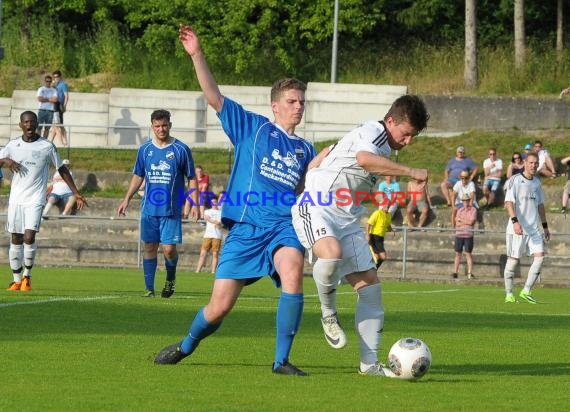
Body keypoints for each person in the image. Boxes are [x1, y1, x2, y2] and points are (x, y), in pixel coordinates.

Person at [154, 25, 316, 377]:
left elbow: (304, 190)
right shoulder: (252, 127)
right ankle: (186, 345)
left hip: (283, 226)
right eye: (292, 101)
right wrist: (197, 54)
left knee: (293, 273)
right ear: (275, 105)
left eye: (302, 101)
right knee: (219, 308)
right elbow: (214, 96)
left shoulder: (306, 149)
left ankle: (281, 361)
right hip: (245, 229)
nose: (298, 106)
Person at [292, 94, 429, 376]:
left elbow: (349, 166)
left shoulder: (383, 147)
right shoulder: (373, 132)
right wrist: (411, 172)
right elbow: (364, 160)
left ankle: (369, 364)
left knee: (371, 289)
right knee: (331, 254)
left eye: (413, 137)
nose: (408, 142)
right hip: (317, 207)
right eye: (406, 134)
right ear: (390, 121)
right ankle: (328, 313)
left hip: (346, 218)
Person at [0, 111, 86, 292]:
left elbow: (61, 169)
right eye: (26, 122)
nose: (29, 125)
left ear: (37, 124)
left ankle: (27, 277)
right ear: (21, 125)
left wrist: (76, 192)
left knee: (29, 236)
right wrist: (7, 160)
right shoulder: (13, 145)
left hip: (36, 199)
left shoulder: (47, 146)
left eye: (32, 122)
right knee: (15, 237)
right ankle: (16, 281)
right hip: (16, 199)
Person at [117, 109, 198, 298]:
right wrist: (126, 198)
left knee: (169, 250)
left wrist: (194, 203)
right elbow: (138, 175)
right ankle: (149, 288)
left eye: (164, 125)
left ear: (170, 125)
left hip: (171, 209)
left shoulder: (181, 149)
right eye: (157, 126)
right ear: (152, 126)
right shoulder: (145, 150)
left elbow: (191, 178)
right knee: (150, 247)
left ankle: (170, 279)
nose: (161, 129)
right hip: (149, 208)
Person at [503, 151, 550, 304]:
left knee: (540, 257)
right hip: (517, 228)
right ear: (524, 163)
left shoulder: (537, 182)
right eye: (531, 162)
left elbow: (540, 205)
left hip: (533, 229)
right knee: (513, 261)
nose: (533, 165)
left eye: (536, 163)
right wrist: (515, 222)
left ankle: (526, 290)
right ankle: (509, 294)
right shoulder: (515, 181)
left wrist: (545, 226)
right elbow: (508, 203)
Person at [195, 194, 223, 273]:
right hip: (207, 235)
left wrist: (212, 220)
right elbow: (206, 218)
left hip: (217, 236)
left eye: (215, 202)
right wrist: (215, 222)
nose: (214, 203)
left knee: (215, 254)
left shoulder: (221, 212)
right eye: (212, 202)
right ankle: (197, 271)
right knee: (203, 254)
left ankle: (213, 271)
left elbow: (220, 222)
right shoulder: (207, 211)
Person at [451, 194, 477, 279]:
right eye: (464, 200)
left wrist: (461, 221)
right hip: (459, 234)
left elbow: (471, 222)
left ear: (469, 200)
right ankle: (455, 272)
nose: (465, 202)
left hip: (468, 235)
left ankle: (470, 272)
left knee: (468, 254)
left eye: (467, 200)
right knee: (457, 253)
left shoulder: (473, 210)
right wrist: (465, 221)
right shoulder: (460, 210)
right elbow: (457, 223)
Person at [365, 202, 393, 269]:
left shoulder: (388, 215)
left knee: (378, 257)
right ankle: (372, 271)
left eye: (389, 205)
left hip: (380, 238)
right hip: (374, 237)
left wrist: (391, 230)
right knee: (382, 256)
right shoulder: (377, 213)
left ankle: (371, 271)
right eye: (386, 204)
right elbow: (368, 223)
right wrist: (367, 234)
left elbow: (388, 225)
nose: (387, 206)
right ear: (383, 205)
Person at [52, 70, 69, 145]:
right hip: (54, 105)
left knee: (57, 125)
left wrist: (64, 106)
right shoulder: (55, 85)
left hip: (59, 105)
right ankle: (50, 141)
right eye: (54, 77)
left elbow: (66, 96)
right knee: (56, 125)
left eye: (57, 77)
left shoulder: (63, 85)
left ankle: (62, 143)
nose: (56, 78)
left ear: (60, 76)